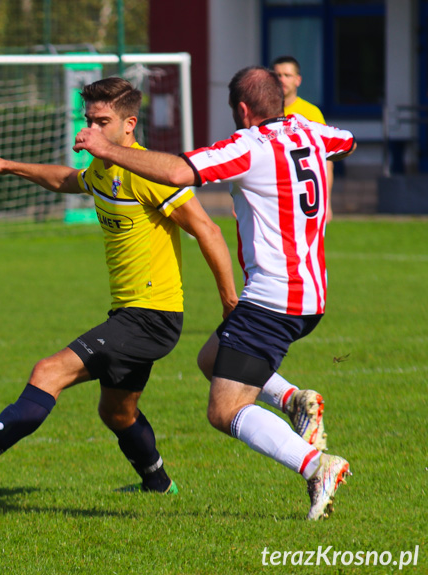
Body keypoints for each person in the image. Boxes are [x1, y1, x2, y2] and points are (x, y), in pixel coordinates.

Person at [0, 77, 238, 497]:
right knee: (117, 412)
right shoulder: (103, 167)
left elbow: (207, 229)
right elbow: (67, 180)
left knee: (49, 371)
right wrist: (9, 165)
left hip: (152, 314)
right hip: (133, 313)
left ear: (129, 124)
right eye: (89, 120)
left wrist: (230, 301)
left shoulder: (149, 172)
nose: (92, 130)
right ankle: (158, 484)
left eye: (103, 122)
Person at [72, 66, 356, 520]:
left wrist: (106, 149)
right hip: (311, 296)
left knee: (225, 410)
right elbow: (348, 142)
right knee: (211, 358)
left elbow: (180, 171)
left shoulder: (249, 146)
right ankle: (296, 403)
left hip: (273, 299)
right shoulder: (311, 131)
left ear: (242, 110)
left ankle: (316, 465)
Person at [272, 55, 335, 218]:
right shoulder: (262, 112)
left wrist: (326, 201)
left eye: (287, 75)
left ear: (297, 80)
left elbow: (326, 159)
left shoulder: (311, 113)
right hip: (272, 192)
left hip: (303, 193)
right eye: (277, 75)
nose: (282, 80)